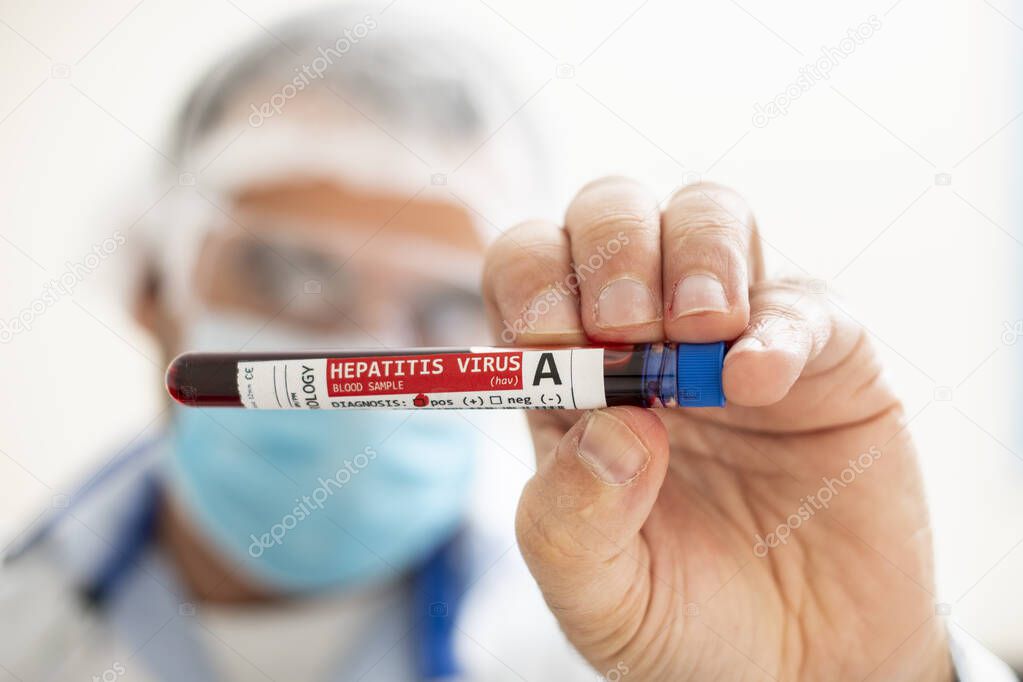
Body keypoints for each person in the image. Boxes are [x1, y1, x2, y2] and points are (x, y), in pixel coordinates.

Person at [0, 5, 1016, 681]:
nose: (370, 357)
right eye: (291, 274)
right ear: (148, 279)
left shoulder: (628, 635)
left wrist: (884, 668)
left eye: (447, 306)